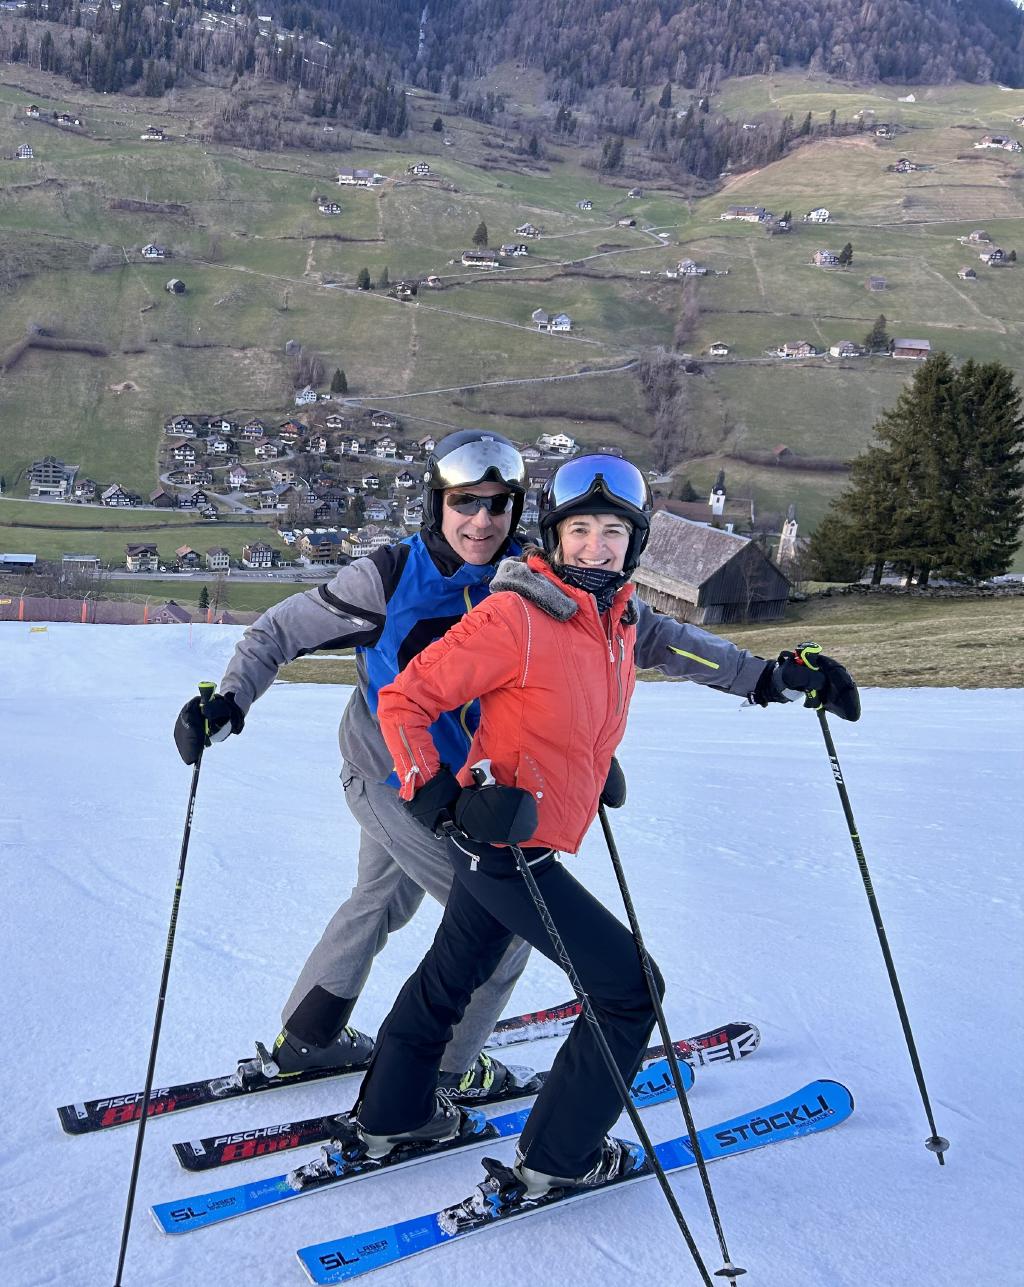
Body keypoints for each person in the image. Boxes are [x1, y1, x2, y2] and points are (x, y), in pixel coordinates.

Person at [349, 453, 859, 1212]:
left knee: (453, 975)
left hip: (523, 837)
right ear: (554, 538)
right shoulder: (515, 615)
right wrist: (437, 801)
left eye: (613, 531)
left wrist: (770, 678)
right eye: (580, 529)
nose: (596, 546)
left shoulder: (617, 618)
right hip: (503, 843)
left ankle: (394, 1115)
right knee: (629, 991)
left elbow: (683, 650)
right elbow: (404, 699)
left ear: (634, 542)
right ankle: (559, 1159)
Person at [172, 430, 543, 1101]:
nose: (482, 520)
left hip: (459, 785)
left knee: (381, 898)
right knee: (499, 924)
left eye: (498, 503)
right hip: (387, 777)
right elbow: (278, 630)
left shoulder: (526, 576)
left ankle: (307, 1038)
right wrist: (229, 700)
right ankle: (444, 1073)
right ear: (437, 503)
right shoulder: (387, 579)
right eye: (465, 501)